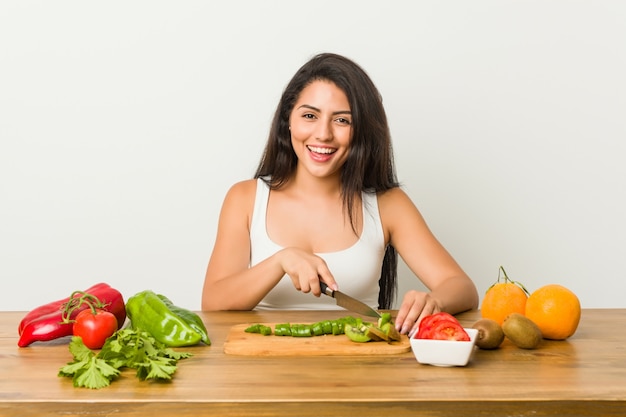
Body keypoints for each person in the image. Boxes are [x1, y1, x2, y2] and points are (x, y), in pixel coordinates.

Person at [201, 52, 478, 335]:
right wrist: (280, 261)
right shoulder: (245, 198)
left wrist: (433, 300)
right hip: (266, 364)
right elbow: (212, 302)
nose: (323, 134)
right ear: (288, 120)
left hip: (360, 369)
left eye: (342, 121)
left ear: (361, 131)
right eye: (310, 115)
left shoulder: (388, 205)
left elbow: (462, 287)